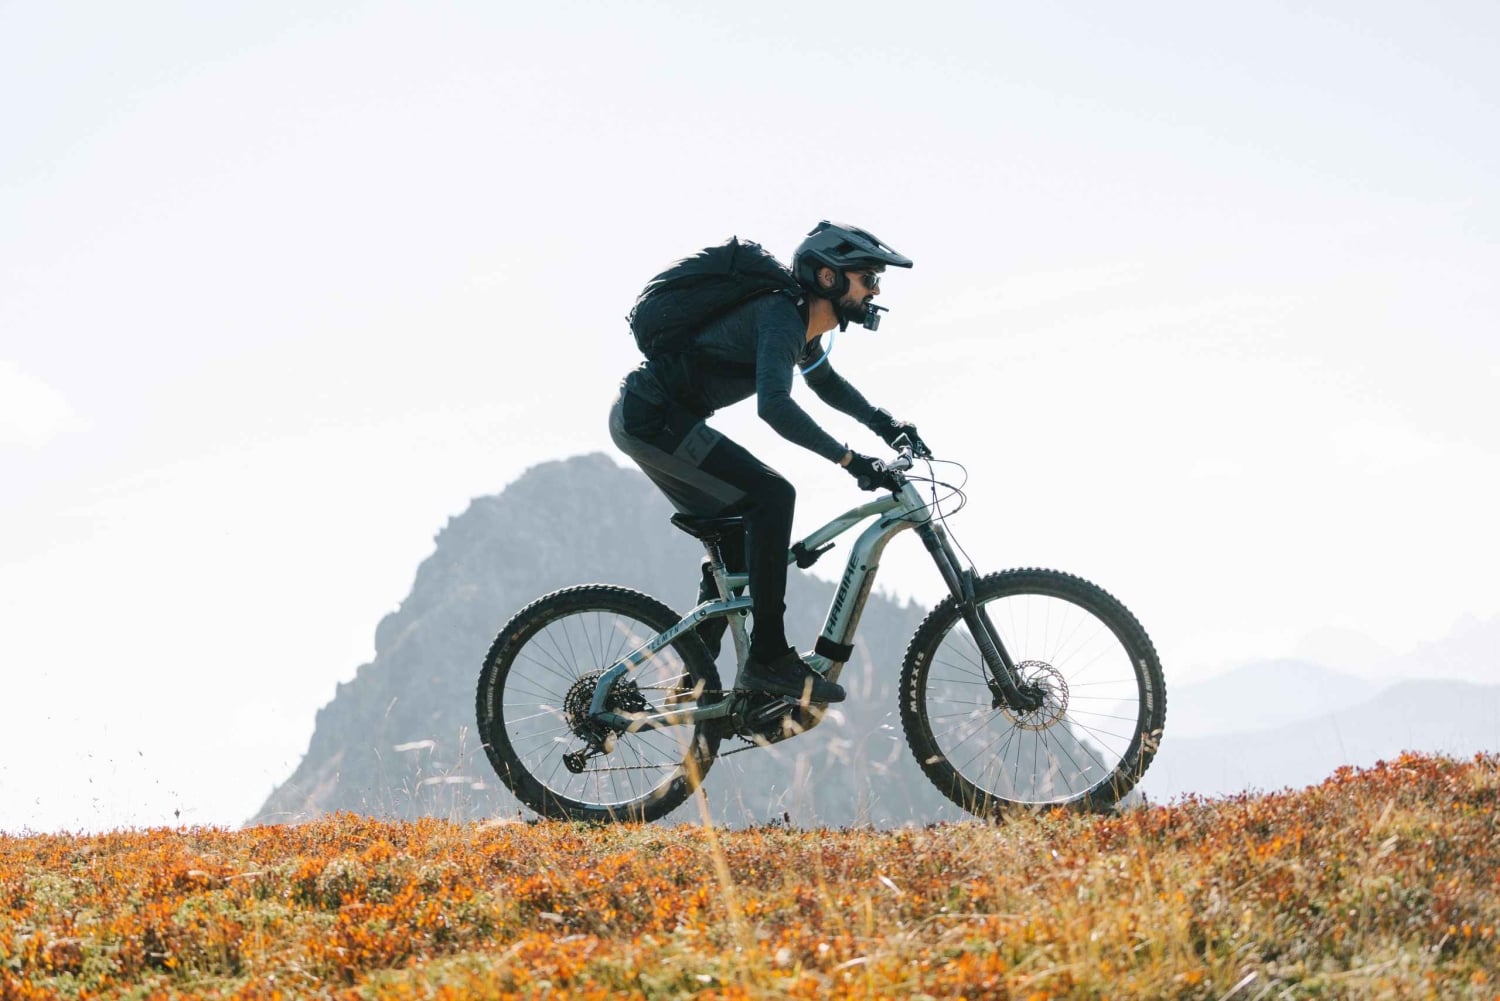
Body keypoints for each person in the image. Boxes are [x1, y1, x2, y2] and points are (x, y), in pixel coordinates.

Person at [608, 220, 930, 705]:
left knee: (738, 531)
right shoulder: (781, 316)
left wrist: (886, 425)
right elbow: (775, 407)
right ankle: (769, 660)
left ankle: (695, 677)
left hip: (654, 419)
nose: (877, 290)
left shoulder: (799, 324)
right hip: (651, 419)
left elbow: (825, 384)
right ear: (829, 278)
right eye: (868, 277)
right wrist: (850, 460)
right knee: (773, 495)